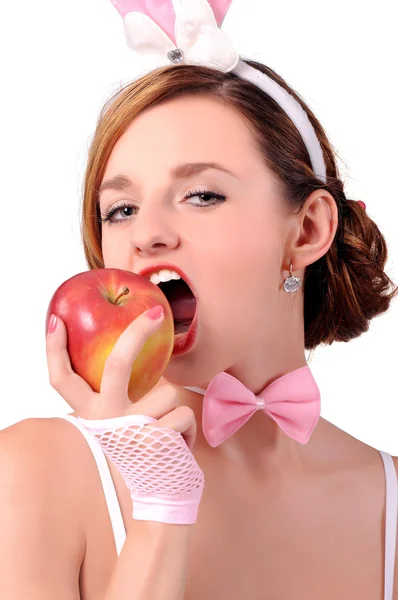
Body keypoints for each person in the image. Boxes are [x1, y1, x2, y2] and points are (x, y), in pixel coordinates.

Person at [1, 0, 397, 598]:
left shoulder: (388, 498)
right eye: (122, 209)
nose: (146, 233)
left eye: (202, 195)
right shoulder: (34, 474)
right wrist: (161, 506)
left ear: (308, 230)